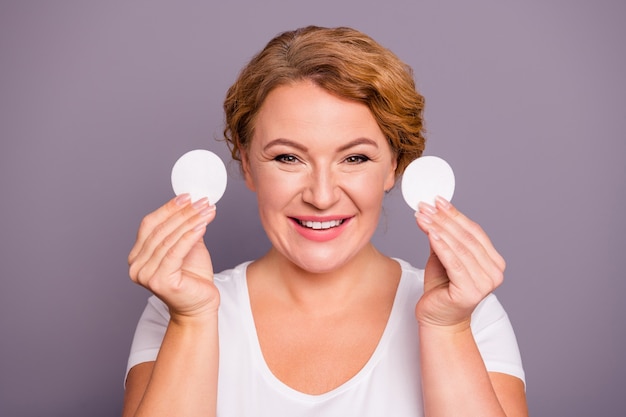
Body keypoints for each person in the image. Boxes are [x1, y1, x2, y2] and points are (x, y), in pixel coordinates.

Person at [123, 26, 527, 416]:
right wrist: (191, 320)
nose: (321, 196)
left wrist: (448, 329)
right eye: (288, 158)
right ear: (247, 165)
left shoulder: (470, 315)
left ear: (395, 168)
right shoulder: (178, 308)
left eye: (354, 158)